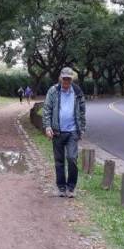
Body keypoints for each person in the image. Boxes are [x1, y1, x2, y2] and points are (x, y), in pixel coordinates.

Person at [42, 67, 86, 198]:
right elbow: (47, 110)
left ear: (72, 79)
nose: (66, 81)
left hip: (73, 131)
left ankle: (71, 187)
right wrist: (47, 127)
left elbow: (82, 111)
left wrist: (82, 128)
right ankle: (61, 187)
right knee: (59, 161)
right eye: (64, 78)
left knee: (72, 159)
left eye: (69, 78)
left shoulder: (77, 91)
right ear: (60, 78)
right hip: (57, 131)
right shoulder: (53, 91)